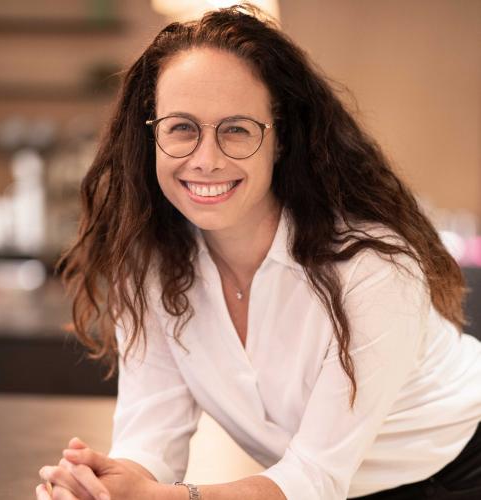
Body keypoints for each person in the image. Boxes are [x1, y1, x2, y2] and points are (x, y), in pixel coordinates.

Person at [36, 4, 481, 500]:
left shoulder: (371, 266)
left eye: (237, 129)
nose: (206, 160)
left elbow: (314, 477)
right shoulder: (151, 264)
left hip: (459, 469)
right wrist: (100, 485)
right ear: (151, 136)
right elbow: (151, 437)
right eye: (181, 127)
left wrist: (164, 498)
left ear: (281, 140)